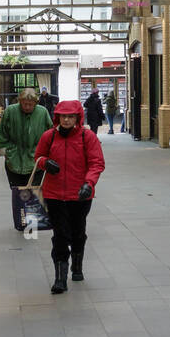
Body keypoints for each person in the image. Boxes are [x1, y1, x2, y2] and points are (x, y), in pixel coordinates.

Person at [34, 99, 106, 293]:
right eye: (63, 116)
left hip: (80, 195)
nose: (66, 120)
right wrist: (45, 163)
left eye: (70, 116)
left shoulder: (87, 137)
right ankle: (60, 279)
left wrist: (89, 183)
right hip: (54, 195)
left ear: (77, 118)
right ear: (57, 117)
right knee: (60, 235)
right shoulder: (49, 136)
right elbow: (38, 156)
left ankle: (77, 266)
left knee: (77, 232)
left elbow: (97, 162)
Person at [0, 88, 52, 232]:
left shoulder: (42, 112)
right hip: (14, 161)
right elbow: (2, 134)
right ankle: (21, 219)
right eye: (24, 104)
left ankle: (33, 221)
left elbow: (50, 133)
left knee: (34, 192)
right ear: (19, 102)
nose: (27, 107)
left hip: (36, 161)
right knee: (18, 193)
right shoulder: (10, 111)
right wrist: (7, 153)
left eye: (30, 104)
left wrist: (47, 154)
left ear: (35, 103)